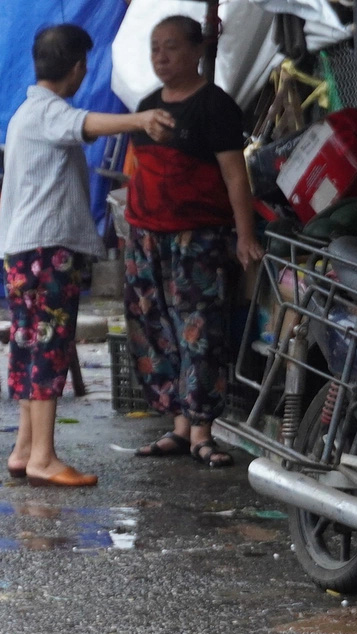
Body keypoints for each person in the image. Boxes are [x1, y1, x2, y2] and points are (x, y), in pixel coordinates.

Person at [0, 25, 176, 488]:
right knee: (49, 348)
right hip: (46, 249)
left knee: (29, 345)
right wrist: (141, 120)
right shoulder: (48, 113)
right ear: (77, 68)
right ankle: (44, 457)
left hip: (23, 250)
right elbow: (86, 124)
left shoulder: (25, 114)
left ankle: (24, 449)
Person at [123, 15, 263, 468]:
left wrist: (244, 236)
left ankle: (203, 430)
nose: (161, 57)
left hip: (197, 238)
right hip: (146, 237)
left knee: (199, 330)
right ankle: (179, 427)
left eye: (171, 47)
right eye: (155, 48)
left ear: (197, 50)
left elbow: (234, 175)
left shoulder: (216, 106)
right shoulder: (145, 106)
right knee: (156, 329)